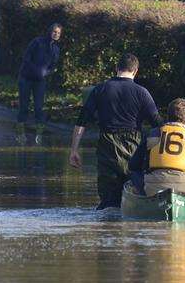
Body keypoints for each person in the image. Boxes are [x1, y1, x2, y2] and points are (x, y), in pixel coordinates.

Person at [68, 53, 161, 209]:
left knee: (108, 202)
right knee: (133, 195)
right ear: (135, 71)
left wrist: (74, 150)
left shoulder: (100, 89)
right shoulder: (142, 92)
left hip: (107, 145)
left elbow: (81, 122)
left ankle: (106, 228)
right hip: (133, 148)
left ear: (116, 68)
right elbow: (158, 125)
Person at [127, 98, 185, 196]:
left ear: (168, 117)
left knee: (134, 173)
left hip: (153, 188)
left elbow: (133, 165)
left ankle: (143, 196)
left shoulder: (151, 134)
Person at [16, 23, 63, 140]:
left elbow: (53, 66)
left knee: (39, 107)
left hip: (40, 80)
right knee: (24, 106)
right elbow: (26, 57)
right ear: (49, 31)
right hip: (26, 77)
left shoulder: (56, 49)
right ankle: (20, 134)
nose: (56, 34)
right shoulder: (37, 42)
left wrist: (45, 73)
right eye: (54, 32)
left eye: (58, 33)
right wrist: (36, 70)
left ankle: (39, 134)